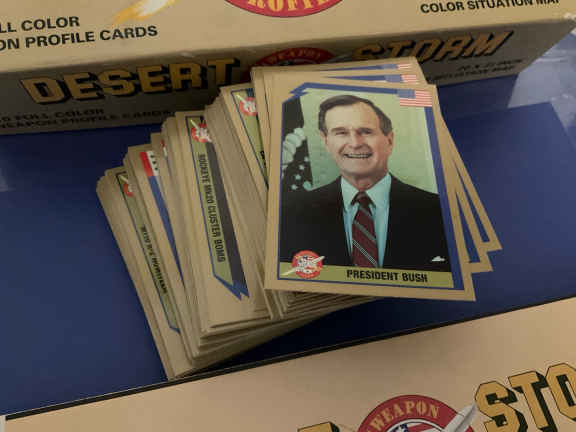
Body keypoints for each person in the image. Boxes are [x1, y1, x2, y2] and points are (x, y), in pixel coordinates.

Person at [280, 94, 451, 272]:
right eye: (341, 133)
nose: (355, 143)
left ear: (389, 140)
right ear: (326, 142)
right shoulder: (292, 215)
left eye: (366, 132)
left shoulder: (439, 211)